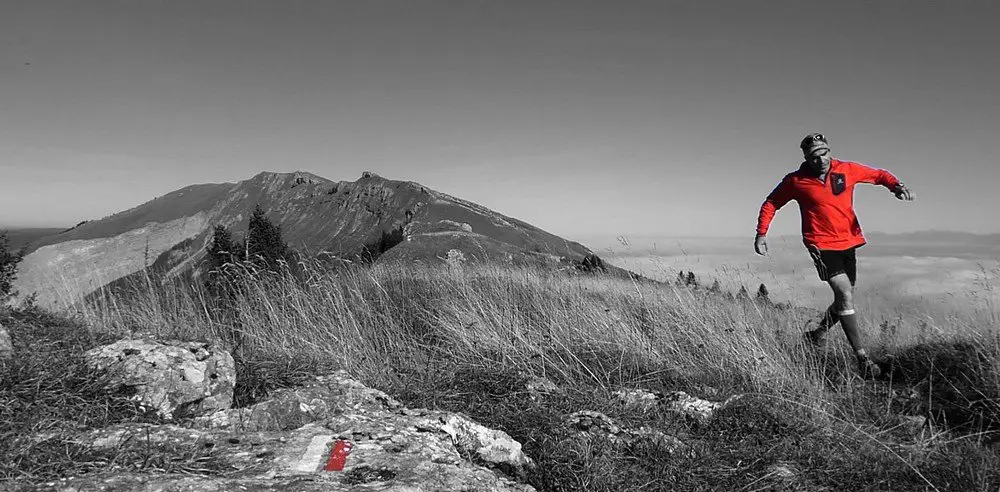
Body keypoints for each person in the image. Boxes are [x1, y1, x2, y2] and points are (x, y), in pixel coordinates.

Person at [754, 133, 914, 378]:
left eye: (824, 153)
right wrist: (761, 233)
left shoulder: (847, 170)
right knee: (844, 293)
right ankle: (862, 359)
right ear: (807, 158)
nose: (821, 160)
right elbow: (772, 202)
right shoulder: (796, 181)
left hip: (848, 242)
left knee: (845, 297)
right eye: (814, 156)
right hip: (820, 244)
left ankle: (817, 334)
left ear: (829, 151)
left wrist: (896, 186)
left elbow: (879, 175)